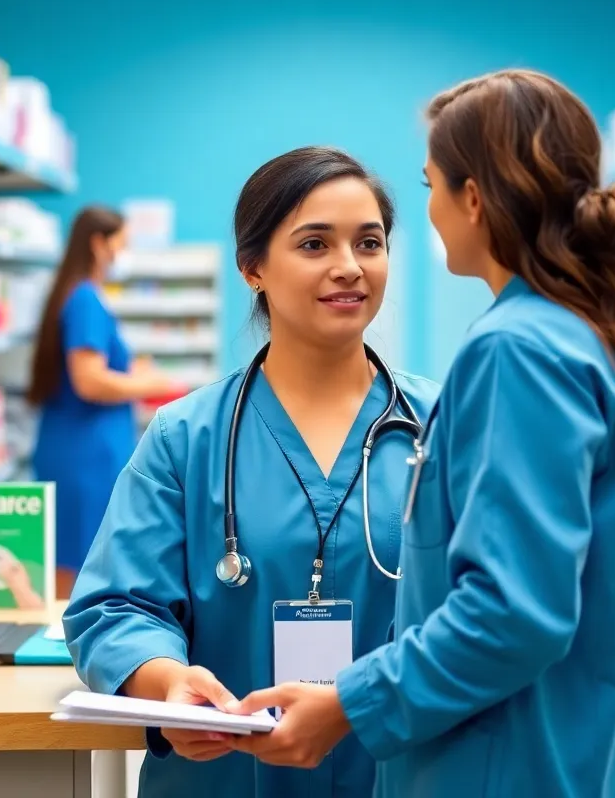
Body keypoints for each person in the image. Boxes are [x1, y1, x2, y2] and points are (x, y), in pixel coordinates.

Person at [228, 71, 615, 798]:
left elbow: (514, 612)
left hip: (507, 769)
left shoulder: (517, 352)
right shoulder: (575, 333)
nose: (429, 209)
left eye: (432, 185)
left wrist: (349, 704)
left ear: (472, 199)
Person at [63, 147, 439, 798]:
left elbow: (488, 613)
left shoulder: (444, 427)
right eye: (315, 244)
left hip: (397, 774)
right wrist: (165, 684)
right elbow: (115, 605)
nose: (349, 267)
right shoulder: (187, 437)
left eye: (369, 242)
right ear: (252, 267)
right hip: (225, 777)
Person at [28, 205, 176, 597]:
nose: (121, 256)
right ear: (98, 244)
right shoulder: (85, 301)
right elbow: (89, 381)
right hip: (84, 458)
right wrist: (147, 383)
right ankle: (62, 647)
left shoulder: (75, 295)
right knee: (78, 566)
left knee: (79, 559)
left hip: (79, 449)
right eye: (120, 245)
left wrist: (131, 374)